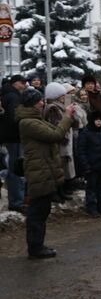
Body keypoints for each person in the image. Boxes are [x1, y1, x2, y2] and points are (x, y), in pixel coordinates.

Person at [15, 88, 75, 259]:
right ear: (32, 104)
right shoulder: (27, 122)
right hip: (39, 171)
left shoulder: (35, 119)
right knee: (37, 212)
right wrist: (67, 117)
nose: (42, 103)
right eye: (39, 101)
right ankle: (35, 249)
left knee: (42, 210)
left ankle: (37, 245)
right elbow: (55, 134)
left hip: (43, 169)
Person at [78, 111, 101, 217]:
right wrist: (86, 166)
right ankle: (91, 207)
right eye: (96, 120)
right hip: (91, 166)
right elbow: (81, 151)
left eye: (100, 120)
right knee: (91, 188)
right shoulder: (86, 133)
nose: (98, 122)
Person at [44, 82, 76, 200]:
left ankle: (62, 189)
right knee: (58, 166)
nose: (64, 97)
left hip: (64, 138)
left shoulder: (60, 106)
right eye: (62, 95)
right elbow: (56, 125)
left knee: (63, 165)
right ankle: (57, 190)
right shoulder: (53, 108)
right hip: (60, 140)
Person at [0, 74, 27, 212]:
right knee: (16, 169)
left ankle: (17, 199)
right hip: (14, 138)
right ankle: (17, 201)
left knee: (12, 168)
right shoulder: (13, 96)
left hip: (8, 138)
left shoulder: (6, 94)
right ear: (16, 83)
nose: (24, 86)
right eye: (22, 83)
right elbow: (14, 117)